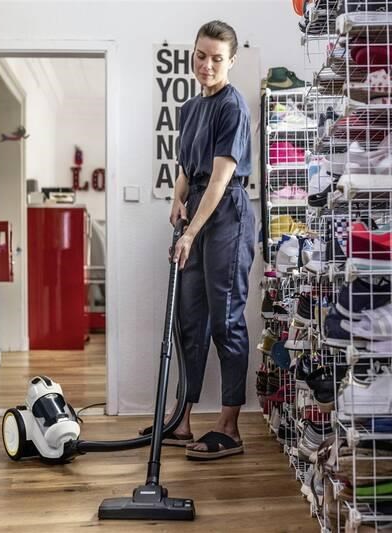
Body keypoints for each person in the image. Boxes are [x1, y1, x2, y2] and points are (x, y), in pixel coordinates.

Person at [148, 20, 256, 461]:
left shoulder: (233, 106)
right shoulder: (190, 107)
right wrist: (177, 200)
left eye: (216, 58)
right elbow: (186, 167)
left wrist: (191, 232)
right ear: (192, 54)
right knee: (189, 320)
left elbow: (220, 177)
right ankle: (181, 419)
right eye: (201, 55)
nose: (207, 64)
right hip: (196, 206)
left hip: (226, 213)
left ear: (231, 61)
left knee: (225, 319)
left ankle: (229, 428)